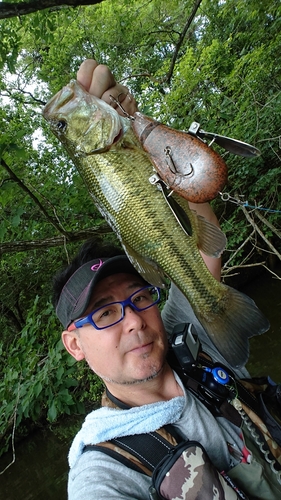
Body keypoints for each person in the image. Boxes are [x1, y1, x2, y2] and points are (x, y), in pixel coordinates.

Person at [53, 60, 281, 499]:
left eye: (140, 298)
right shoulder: (102, 473)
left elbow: (206, 251)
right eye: (105, 313)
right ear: (75, 345)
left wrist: (162, 146)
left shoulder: (188, 340)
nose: (135, 321)